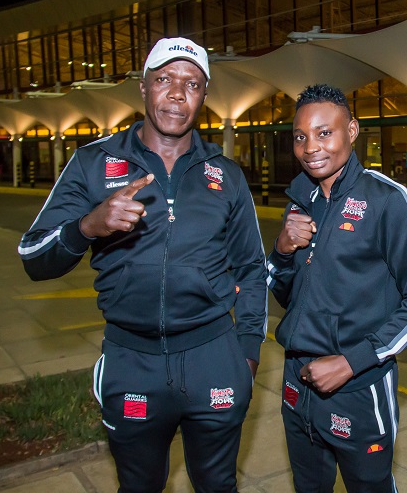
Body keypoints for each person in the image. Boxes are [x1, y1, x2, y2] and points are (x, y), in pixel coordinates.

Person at [18, 37, 268, 492]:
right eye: (164, 80)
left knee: (217, 484)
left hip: (213, 358)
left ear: (204, 96)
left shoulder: (225, 174)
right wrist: (89, 226)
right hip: (132, 360)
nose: (177, 93)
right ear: (143, 87)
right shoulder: (95, 163)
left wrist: (246, 355)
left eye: (191, 84)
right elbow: (33, 256)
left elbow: (252, 267)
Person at [266, 84, 407, 492]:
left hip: (359, 387)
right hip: (297, 381)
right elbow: (286, 295)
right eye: (300, 137)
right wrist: (281, 249)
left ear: (352, 131)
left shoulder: (387, 200)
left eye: (324, 132)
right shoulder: (300, 200)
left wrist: (353, 361)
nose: (311, 147)